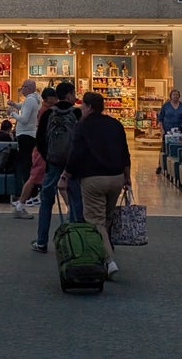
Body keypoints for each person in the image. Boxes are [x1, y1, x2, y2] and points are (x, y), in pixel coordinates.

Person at [60, 91, 131, 279]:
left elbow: (75, 153)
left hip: (93, 179)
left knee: (95, 221)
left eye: (82, 105)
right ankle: (103, 251)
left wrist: (66, 174)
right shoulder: (115, 125)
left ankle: (109, 261)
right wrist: (127, 176)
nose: (81, 108)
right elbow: (125, 152)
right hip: (116, 178)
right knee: (107, 217)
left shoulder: (82, 127)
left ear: (89, 107)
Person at [32, 81, 83, 253]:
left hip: (52, 162)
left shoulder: (48, 114)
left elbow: (39, 140)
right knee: (76, 200)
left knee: (46, 202)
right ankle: (77, 240)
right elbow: (82, 141)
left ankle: (41, 241)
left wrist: (48, 157)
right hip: (73, 165)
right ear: (69, 94)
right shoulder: (77, 113)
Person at [12, 87, 56, 218]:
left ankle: (30, 200)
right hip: (42, 148)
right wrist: (13, 113)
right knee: (34, 177)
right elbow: (25, 119)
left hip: (41, 146)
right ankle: (21, 205)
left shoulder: (41, 107)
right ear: (49, 99)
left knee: (44, 177)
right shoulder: (44, 111)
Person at [9, 79, 41, 190]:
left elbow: (24, 119)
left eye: (23, 86)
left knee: (26, 164)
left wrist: (12, 113)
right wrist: (14, 105)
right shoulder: (32, 100)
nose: (21, 89)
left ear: (28, 88)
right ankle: (30, 192)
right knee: (27, 163)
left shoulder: (30, 100)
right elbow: (22, 107)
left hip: (25, 135)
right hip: (29, 134)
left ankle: (29, 192)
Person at [155, 89, 182, 174]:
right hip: (167, 131)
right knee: (163, 148)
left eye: (177, 95)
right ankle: (160, 165)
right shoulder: (166, 106)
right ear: (170, 96)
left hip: (179, 132)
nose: (176, 96)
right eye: (174, 95)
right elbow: (160, 119)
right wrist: (162, 129)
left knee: (178, 149)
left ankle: (176, 168)